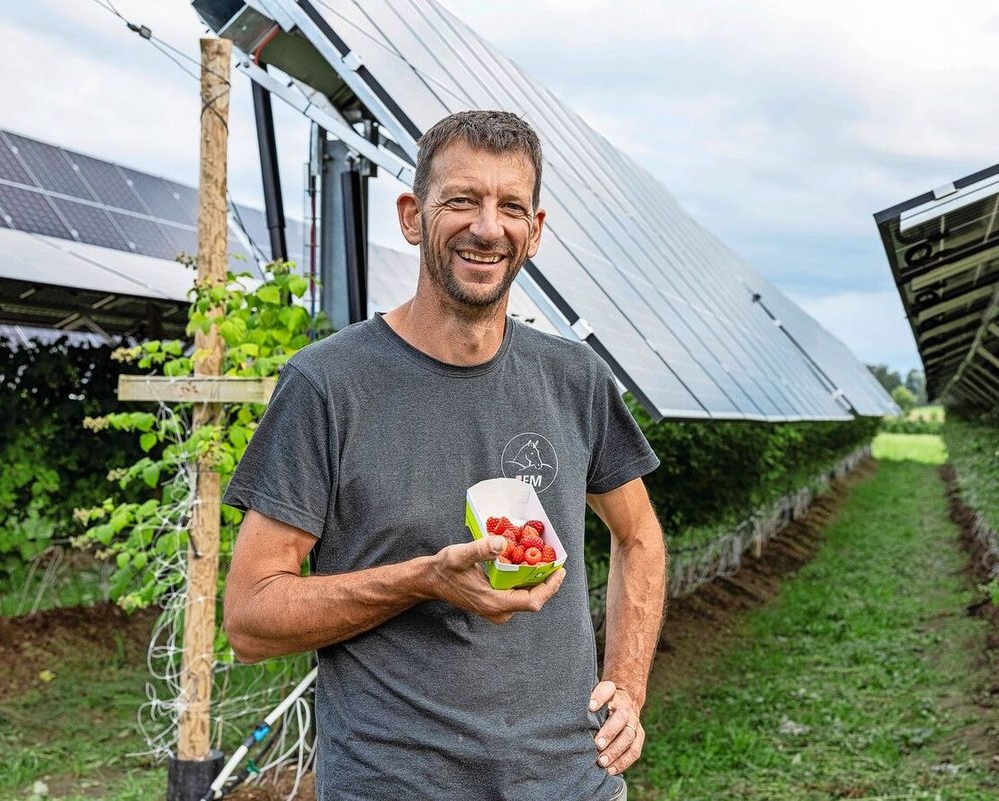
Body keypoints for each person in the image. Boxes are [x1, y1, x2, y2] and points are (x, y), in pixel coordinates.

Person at [222, 109, 667, 801]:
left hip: (572, 784)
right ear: (411, 216)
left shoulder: (575, 379)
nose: (488, 228)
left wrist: (629, 685)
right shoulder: (328, 385)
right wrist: (423, 578)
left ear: (535, 230)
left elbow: (639, 535)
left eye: (510, 206)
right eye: (461, 200)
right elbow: (250, 618)